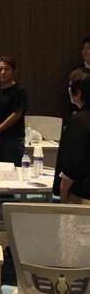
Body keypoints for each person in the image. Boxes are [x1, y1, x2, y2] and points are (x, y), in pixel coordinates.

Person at [54, 67, 90, 204]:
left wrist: (63, 188)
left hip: (82, 192)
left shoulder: (78, 120)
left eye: (70, 86)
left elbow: (74, 161)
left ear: (78, 92)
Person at [0, 56, 28, 164]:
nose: (2, 72)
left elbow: (16, 114)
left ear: (14, 71)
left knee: (13, 170)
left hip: (12, 139)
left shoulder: (19, 90)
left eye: (7, 69)